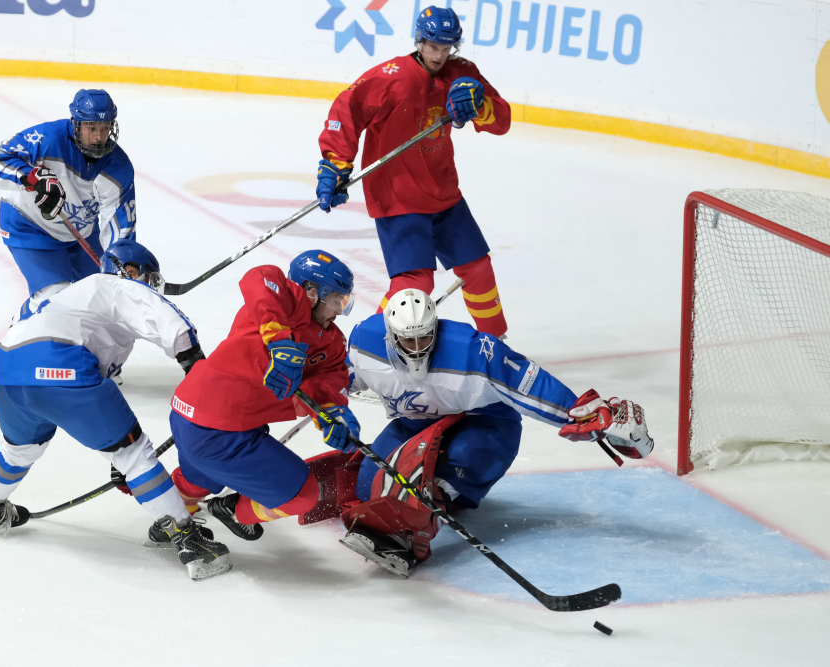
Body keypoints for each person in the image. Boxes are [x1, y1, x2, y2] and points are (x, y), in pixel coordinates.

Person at [0, 240, 231, 582]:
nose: (151, 288)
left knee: (19, 448)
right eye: (150, 280)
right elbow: (172, 324)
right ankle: (189, 541)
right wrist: (201, 375)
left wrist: (112, 446)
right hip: (60, 364)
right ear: (132, 271)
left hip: (6, 371)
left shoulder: (62, 298)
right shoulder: (116, 283)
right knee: (134, 454)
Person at [337, 289, 654, 577]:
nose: (418, 348)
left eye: (425, 337)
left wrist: (583, 416)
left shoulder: (472, 350)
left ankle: (432, 512)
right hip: (414, 424)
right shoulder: (365, 341)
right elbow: (338, 380)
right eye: (409, 340)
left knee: (455, 468)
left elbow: (530, 384)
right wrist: (329, 406)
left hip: (482, 423)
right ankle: (421, 501)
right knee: (369, 487)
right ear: (392, 335)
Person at [316, 6, 512, 338]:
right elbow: (345, 110)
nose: (439, 54)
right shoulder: (390, 77)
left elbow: (502, 121)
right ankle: (369, 346)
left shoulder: (462, 73)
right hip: (397, 195)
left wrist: (481, 105)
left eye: (446, 47)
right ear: (419, 41)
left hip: (443, 191)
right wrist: (336, 163)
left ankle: (496, 341)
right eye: (433, 46)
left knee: (478, 269)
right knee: (414, 283)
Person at [167, 250, 360, 541]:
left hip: (196, 417)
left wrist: (334, 414)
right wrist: (278, 338)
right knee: (304, 495)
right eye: (336, 300)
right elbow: (260, 276)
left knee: (199, 479)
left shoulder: (331, 342)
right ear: (311, 292)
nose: (339, 310)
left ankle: (168, 517)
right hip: (220, 431)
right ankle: (234, 511)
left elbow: (329, 381)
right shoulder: (288, 305)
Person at [0, 88, 137, 311]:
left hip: (81, 231)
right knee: (55, 303)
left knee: (106, 299)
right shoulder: (46, 140)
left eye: (105, 128)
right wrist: (31, 178)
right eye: (91, 128)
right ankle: (22, 333)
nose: (98, 137)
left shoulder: (118, 167)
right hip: (30, 227)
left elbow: (119, 225)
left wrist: (126, 263)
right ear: (75, 123)